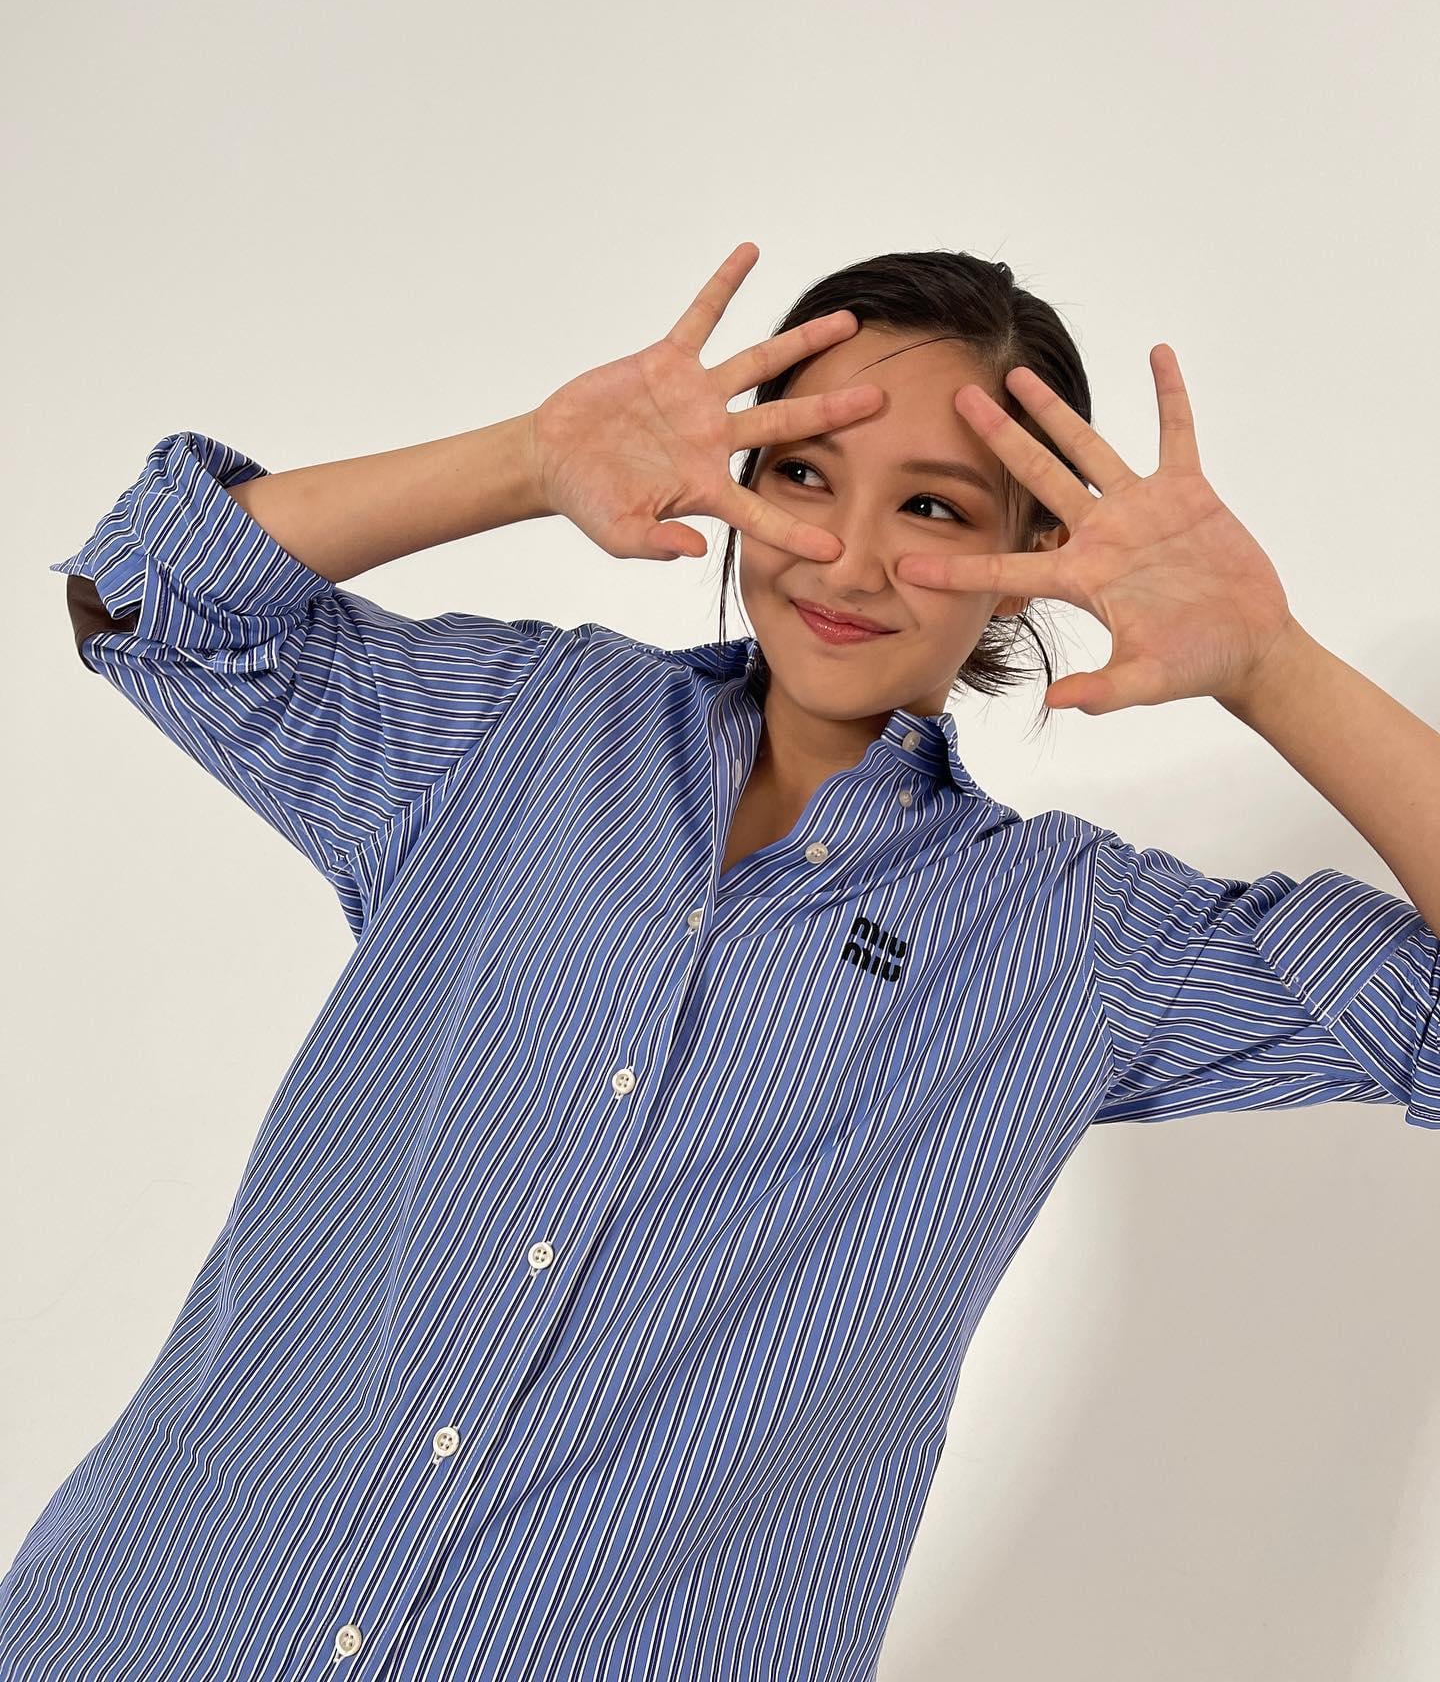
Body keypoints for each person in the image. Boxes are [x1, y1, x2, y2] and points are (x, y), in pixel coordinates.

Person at [5, 242, 1436, 1680]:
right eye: (805, 474)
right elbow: (144, 597)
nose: (848, 556)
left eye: (932, 507)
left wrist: (1268, 661)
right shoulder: (526, 727)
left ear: (1027, 566)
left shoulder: (1066, 941)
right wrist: (527, 460)